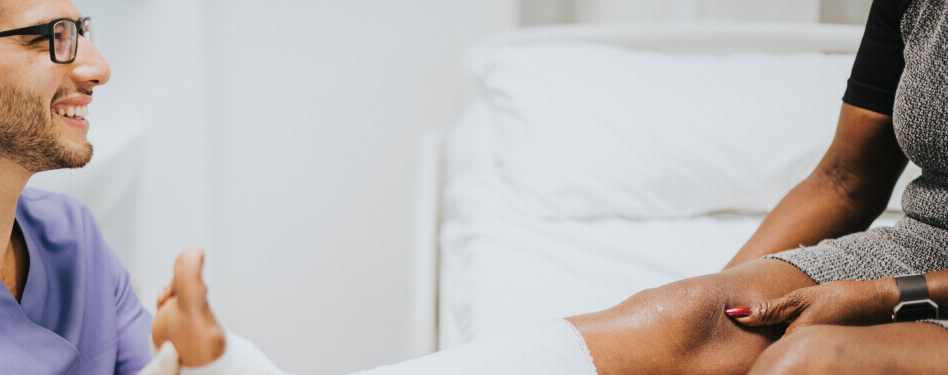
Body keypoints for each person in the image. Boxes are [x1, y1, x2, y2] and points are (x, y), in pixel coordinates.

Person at [151, 0, 948, 373]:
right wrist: (709, 309)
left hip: (924, 281)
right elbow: (846, 175)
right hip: (919, 243)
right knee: (678, 321)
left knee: (814, 359)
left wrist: (890, 296)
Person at [0, 0, 223, 373]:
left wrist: (189, 362)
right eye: (50, 37)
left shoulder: (77, 242)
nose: (100, 69)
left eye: (80, 31)